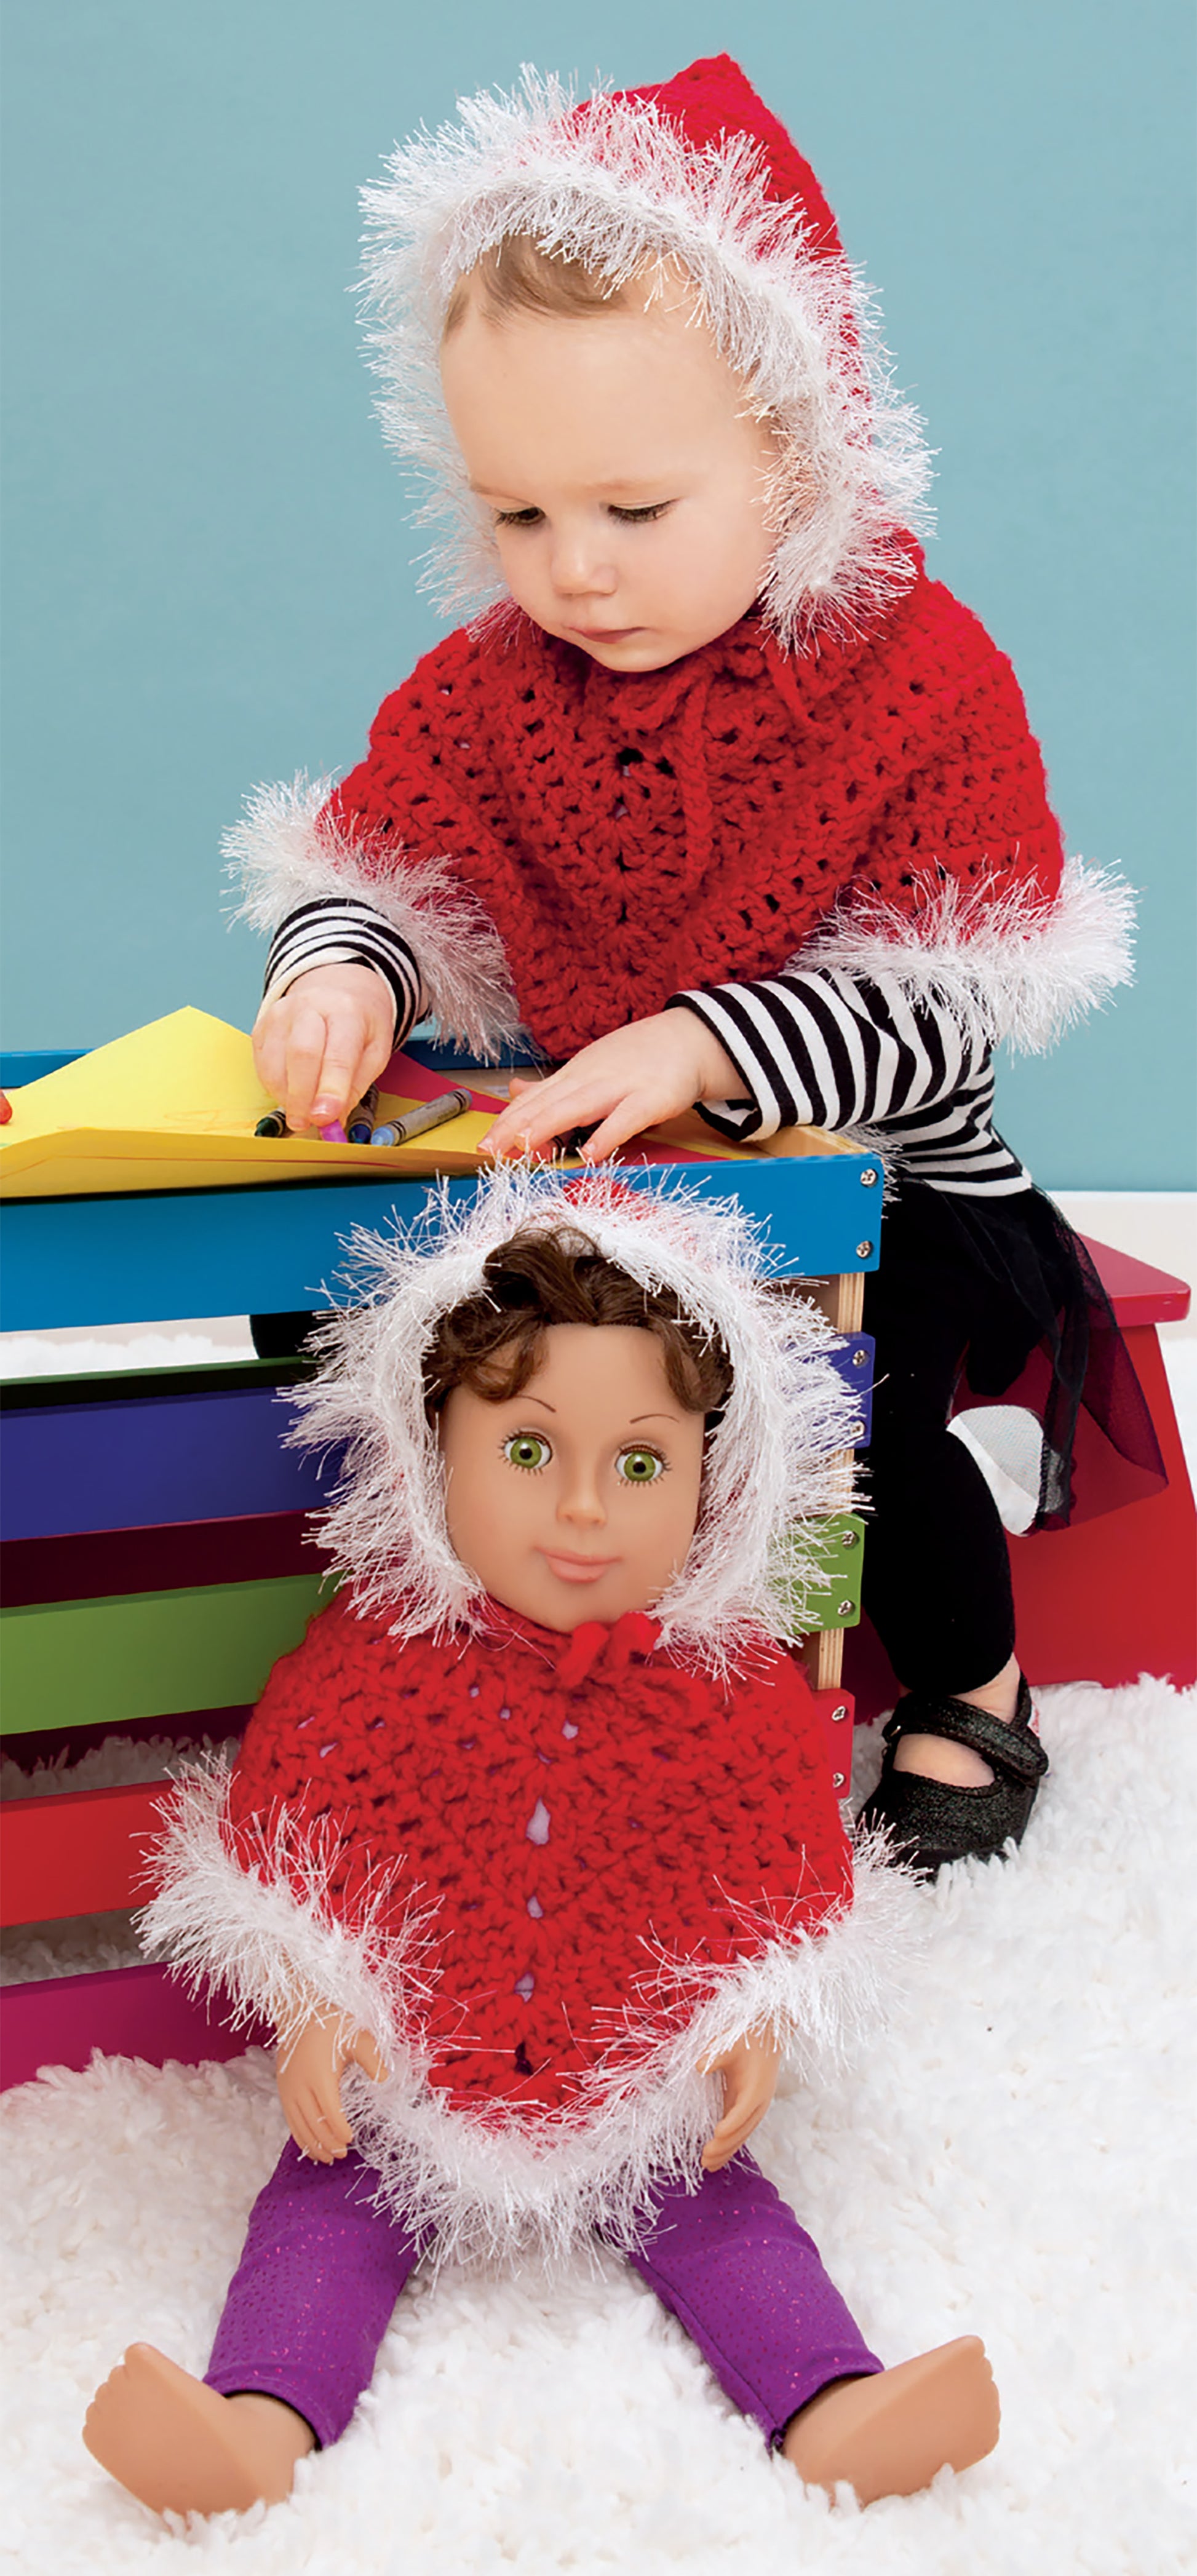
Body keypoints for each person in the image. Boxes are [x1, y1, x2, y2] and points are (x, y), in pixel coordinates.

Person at [234, 54, 1161, 1872]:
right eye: (517, 514)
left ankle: (972, 1677)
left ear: (797, 448)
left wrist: (711, 1040)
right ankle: (485, 1634)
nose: (570, 571)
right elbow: (393, 848)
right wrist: (347, 961)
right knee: (352, 1321)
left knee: (848, 1403)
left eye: (631, 511)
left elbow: (947, 995)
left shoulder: (914, 673)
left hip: (867, 1183)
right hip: (590, 1173)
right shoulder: (497, 687)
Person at [83, 1171, 999, 2516]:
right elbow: (288, 1861)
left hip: (637, 2087)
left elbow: (775, 1888)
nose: (584, 1512)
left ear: (714, 1478)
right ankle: (258, 2422)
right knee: (321, 2212)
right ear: (429, 1444)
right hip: (407, 2077)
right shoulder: (367, 1672)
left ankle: (832, 2400)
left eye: (641, 1465)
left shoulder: (730, 1695)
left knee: (727, 2209)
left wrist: (749, 2023)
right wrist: (314, 2003)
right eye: (527, 1451)